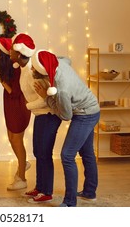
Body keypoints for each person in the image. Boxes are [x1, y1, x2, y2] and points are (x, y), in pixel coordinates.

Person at [31, 49, 100, 207]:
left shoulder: (61, 90)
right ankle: (90, 193)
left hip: (85, 114)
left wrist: (47, 97)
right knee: (87, 152)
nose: (31, 69)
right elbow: (67, 59)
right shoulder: (59, 63)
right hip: (93, 108)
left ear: (42, 70)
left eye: (34, 67)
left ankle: (69, 202)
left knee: (67, 155)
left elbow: (66, 115)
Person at [9, 34, 62, 203]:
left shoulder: (34, 71)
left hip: (48, 114)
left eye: (12, 48)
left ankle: (46, 191)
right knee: (38, 152)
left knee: (44, 153)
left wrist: (28, 105)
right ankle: (40, 187)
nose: (9, 51)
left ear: (19, 52)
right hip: (40, 115)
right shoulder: (23, 69)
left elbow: (46, 97)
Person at [0, 37, 31, 190]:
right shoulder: (6, 66)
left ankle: (22, 178)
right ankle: (22, 162)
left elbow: (14, 92)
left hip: (19, 106)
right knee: (12, 139)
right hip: (10, 105)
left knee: (17, 140)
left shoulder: (16, 69)